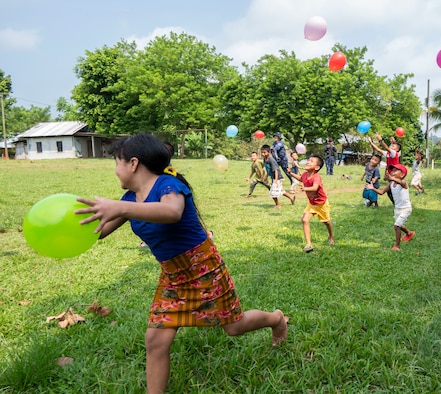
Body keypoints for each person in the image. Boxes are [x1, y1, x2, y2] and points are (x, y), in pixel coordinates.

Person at [75, 134, 288, 394]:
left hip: (203, 267)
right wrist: (69, 227)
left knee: (234, 326)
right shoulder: (130, 200)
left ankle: (276, 319)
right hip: (172, 275)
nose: (115, 171)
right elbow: (98, 231)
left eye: (116, 163)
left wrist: (119, 208)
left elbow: (171, 212)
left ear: (133, 163)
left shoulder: (168, 185)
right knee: (155, 339)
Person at [290, 154, 334, 252]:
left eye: (311, 161)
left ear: (317, 167)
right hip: (311, 203)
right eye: (308, 160)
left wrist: (305, 188)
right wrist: (291, 173)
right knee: (305, 220)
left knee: (326, 222)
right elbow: (300, 178)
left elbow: (315, 187)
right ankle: (309, 244)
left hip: (321, 203)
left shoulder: (316, 177)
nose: (308, 162)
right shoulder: (305, 174)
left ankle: (331, 236)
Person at [367, 164, 415, 251]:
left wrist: (391, 178)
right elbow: (381, 192)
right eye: (392, 170)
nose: (392, 172)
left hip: (406, 209)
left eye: (395, 170)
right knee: (399, 225)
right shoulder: (391, 184)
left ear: (402, 175)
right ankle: (409, 233)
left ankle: (397, 246)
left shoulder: (404, 183)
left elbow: (402, 182)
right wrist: (372, 188)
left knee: (397, 225)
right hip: (397, 208)